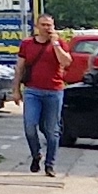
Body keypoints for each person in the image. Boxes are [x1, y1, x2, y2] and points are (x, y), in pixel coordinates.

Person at [16, 16, 80, 175]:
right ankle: (36, 154)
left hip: (54, 91)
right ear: (37, 26)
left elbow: (66, 62)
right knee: (30, 126)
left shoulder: (59, 43)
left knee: (52, 130)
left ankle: (50, 164)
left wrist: (55, 44)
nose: (47, 28)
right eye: (43, 25)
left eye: (49, 25)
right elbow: (19, 68)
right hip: (32, 91)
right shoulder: (27, 44)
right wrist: (15, 89)